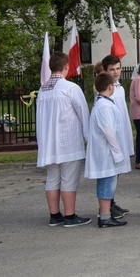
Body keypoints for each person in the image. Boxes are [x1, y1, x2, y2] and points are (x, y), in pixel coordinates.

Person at [36, 52, 91, 227]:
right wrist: (88, 137)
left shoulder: (43, 90)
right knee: (69, 178)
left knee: (52, 177)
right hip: (68, 141)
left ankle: (55, 215)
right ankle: (70, 215)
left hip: (49, 142)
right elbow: (83, 113)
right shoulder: (70, 88)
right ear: (66, 66)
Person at [85, 72, 131, 228]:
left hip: (105, 151)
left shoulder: (102, 103)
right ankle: (105, 217)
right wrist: (118, 152)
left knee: (106, 181)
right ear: (110, 87)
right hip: (106, 152)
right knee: (107, 182)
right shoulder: (104, 106)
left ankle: (106, 215)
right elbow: (109, 132)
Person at [101, 54, 134, 219]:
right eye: (112, 69)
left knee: (117, 173)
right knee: (110, 173)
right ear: (105, 70)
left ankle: (112, 202)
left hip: (121, 134)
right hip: (112, 137)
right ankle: (108, 205)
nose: (116, 72)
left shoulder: (119, 88)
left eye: (118, 68)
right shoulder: (106, 90)